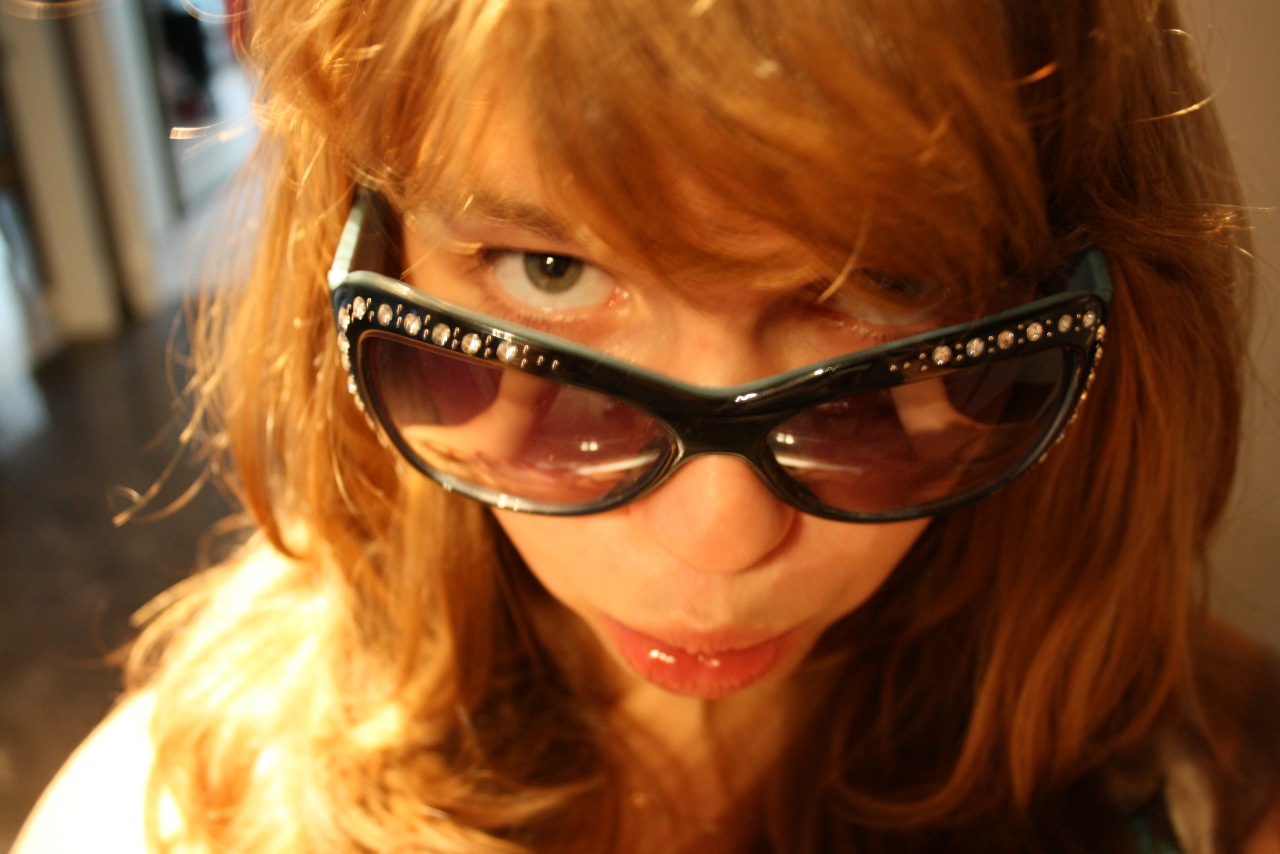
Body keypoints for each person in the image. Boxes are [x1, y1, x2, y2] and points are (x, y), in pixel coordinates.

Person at [15, 0, 1280, 851]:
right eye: (549, 269)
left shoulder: (1218, 792)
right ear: (370, 246)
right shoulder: (168, 817)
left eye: (882, 282)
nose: (716, 537)